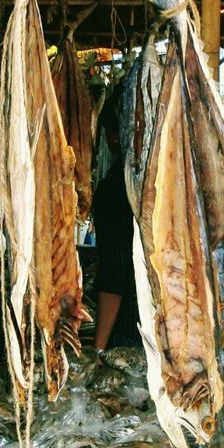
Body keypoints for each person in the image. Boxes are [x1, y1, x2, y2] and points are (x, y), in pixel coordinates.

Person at [91, 95, 141, 351]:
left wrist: (98, 347)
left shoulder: (113, 191)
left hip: (130, 332)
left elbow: (115, 273)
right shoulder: (158, 184)